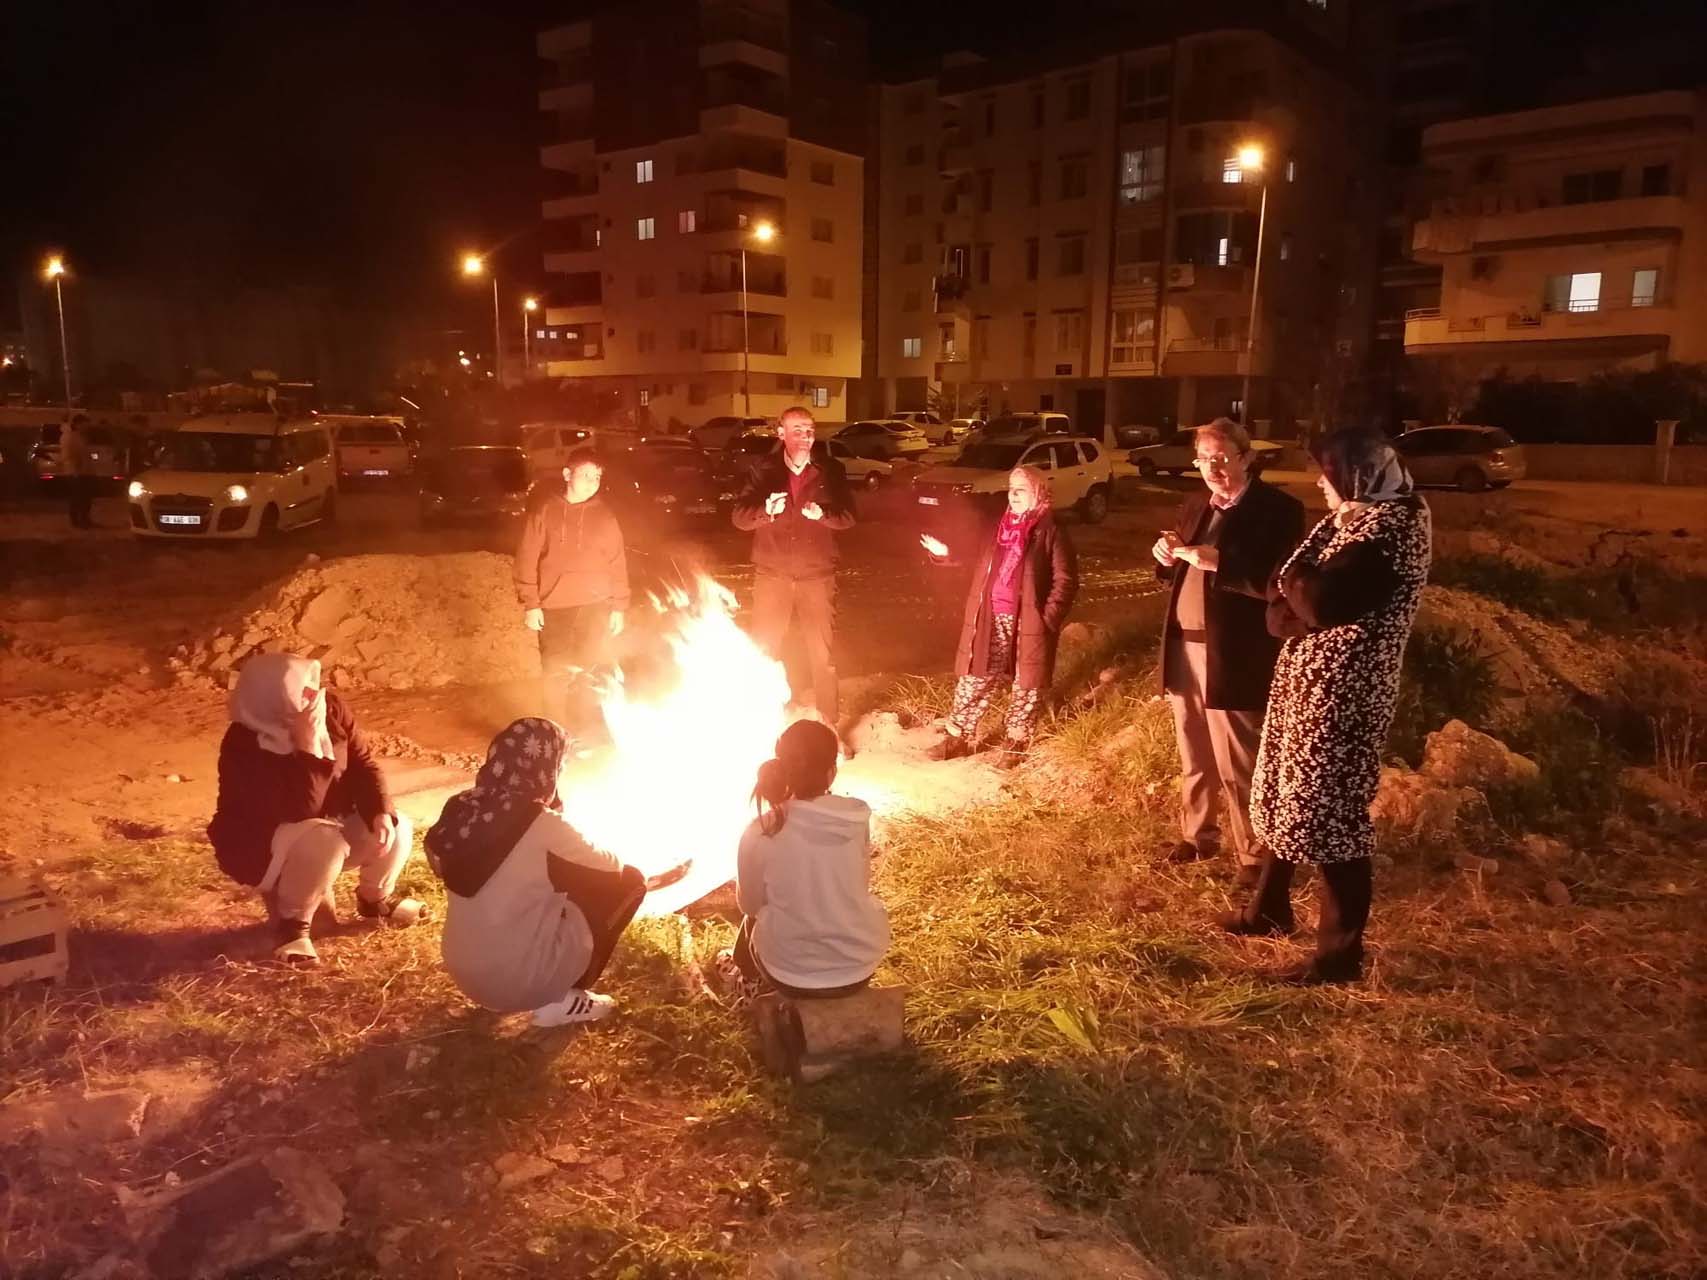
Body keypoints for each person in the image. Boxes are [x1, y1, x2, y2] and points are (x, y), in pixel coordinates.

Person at [1224, 427, 1432, 985]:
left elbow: (1316, 598)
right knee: (1283, 793)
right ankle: (1269, 909)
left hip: (1346, 693)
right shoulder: (1348, 519)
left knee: (1330, 812)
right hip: (1305, 683)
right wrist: (1296, 598)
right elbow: (1281, 593)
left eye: (1328, 472)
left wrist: (1298, 595)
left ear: (1358, 474)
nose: (1320, 481)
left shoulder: (1393, 526)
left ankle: (1339, 956)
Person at [1151, 418, 1305, 887]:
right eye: (1204, 460)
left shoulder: (1277, 510)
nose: (1212, 469)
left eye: (1222, 458)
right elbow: (1180, 571)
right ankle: (1198, 836)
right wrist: (1164, 555)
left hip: (1235, 653)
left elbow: (1284, 583)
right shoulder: (1197, 505)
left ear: (1247, 457)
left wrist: (1222, 562)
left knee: (1240, 759)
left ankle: (1253, 856)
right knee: (1193, 754)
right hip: (1185, 649)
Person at [428, 717, 660, 1026]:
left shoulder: (461, 808)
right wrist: (555, 814)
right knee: (630, 883)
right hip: (516, 983)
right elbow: (612, 866)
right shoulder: (539, 822)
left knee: (554, 876)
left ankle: (530, 976)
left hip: (465, 971)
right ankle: (565, 997)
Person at [208, 653, 424, 965]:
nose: (313, 694)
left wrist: (378, 811)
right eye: (300, 687)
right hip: (264, 844)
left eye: (313, 683)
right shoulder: (244, 744)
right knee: (323, 841)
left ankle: (374, 900)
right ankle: (292, 927)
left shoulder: (330, 710)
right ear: (270, 695)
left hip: (324, 825)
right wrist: (308, 747)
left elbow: (363, 765)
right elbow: (302, 809)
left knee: (396, 824)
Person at [922, 465, 1078, 767]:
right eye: (1011, 488)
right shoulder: (1000, 527)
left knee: (1026, 683)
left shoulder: (1051, 532)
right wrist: (946, 553)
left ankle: (1016, 742)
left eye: (1021, 489)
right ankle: (958, 737)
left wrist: (1047, 618)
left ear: (1037, 492)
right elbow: (975, 559)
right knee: (975, 676)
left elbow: (1066, 581)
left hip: (1030, 620)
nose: (1014, 494)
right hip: (992, 616)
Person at [721, 718, 888, 1000]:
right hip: (859, 968)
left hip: (790, 975)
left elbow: (749, 904)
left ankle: (748, 985)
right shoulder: (855, 818)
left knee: (754, 918)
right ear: (831, 772)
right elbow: (860, 884)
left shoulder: (760, 830)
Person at [731, 407, 856, 743]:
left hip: (817, 576)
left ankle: (829, 728)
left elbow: (848, 517)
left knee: (823, 656)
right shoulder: (763, 470)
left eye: (810, 430)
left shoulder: (830, 470)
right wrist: (765, 512)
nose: (805, 436)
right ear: (780, 433)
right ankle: (758, 723)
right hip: (773, 576)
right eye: (797, 430)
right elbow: (740, 517)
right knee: (764, 650)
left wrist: (823, 515)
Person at [515, 446, 630, 739]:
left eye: (598, 476)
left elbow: (617, 560)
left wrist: (619, 606)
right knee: (556, 674)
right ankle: (554, 734)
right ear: (568, 475)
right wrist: (531, 604)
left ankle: (589, 732)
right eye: (586, 475)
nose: (593, 482)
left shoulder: (605, 516)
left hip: (596, 605)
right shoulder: (545, 512)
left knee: (593, 669)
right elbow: (526, 558)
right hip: (555, 606)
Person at [60, 417, 95, 529]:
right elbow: (69, 455)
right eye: (85, 424)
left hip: (84, 472)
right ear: (78, 424)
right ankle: (77, 521)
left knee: (86, 497)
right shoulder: (70, 437)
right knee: (77, 497)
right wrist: (76, 469)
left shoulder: (81, 437)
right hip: (75, 472)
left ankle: (84, 519)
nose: (87, 426)